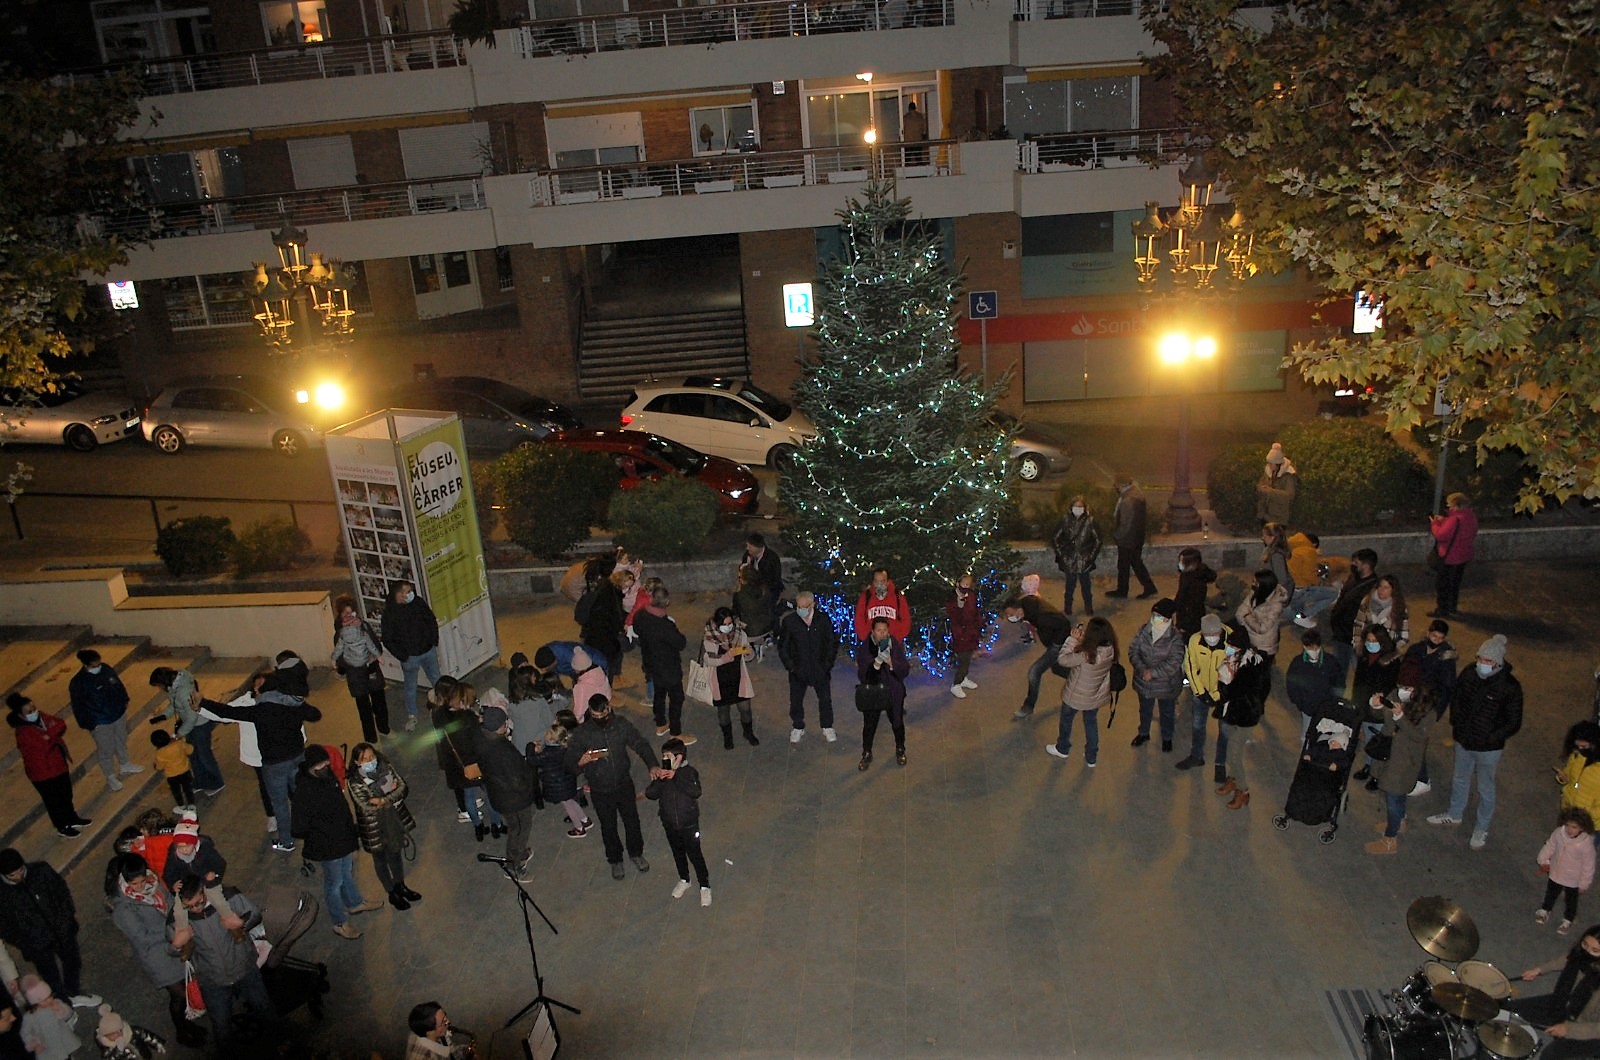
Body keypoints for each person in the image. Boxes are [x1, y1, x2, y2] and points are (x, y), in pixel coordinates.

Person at [203, 670, 320, 853]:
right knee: (302, 795)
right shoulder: (292, 703)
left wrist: (202, 702)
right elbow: (315, 715)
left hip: (274, 764)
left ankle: (286, 841)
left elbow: (227, 712)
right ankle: (313, 830)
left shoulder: (260, 710)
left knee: (280, 804)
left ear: (262, 692)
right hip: (297, 757)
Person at [1427, 633, 1524, 850]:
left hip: (1488, 749)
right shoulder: (1470, 673)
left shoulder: (1509, 687)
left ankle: (1482, 827)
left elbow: (1513, 722)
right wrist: (1458, 725)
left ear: (1498, 662)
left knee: (1485, 787)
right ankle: (1454, 813)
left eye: (1487, 661)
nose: (1482, 664)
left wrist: (1491, 737)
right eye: (1480, 659)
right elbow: (1458, 700)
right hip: (1464, 740)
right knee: (1460, 778)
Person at [104, 854, 205, 1048]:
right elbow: (141, 937)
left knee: (186, 987)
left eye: (143, 881)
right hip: (157, 955)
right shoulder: (123, 909)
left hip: (175, 944)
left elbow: (167, 900)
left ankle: (187, 1024)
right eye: (135, 884)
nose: (141, 887)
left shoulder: (153, 882)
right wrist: (172, 930)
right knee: (178, 995)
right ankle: (182, 1031)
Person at [166, 874, 272, 1046]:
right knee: (221, 1025)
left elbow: (255, 914)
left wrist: (239, 924)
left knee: (264, 1008)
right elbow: (172, 951)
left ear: (205, 892)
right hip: (213, 981)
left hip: (244, 968)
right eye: (189, 906)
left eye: (199, 902)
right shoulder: (176, 919)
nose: (196, 909)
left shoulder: (228, 897)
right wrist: (177, 945)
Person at [564, 695, 662, 880]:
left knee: (632, 821)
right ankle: (615, 859)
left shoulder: (621, 725)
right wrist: (580, 762)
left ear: (608, 709)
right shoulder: (582, 733)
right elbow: (569, 764)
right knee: (608, 826)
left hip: (623, 784)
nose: (599, 718)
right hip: (600, 789)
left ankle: (636, 853)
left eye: (601, 713)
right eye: (594, 714)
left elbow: (640, 743)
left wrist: (652, 765)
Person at [291, 744, 382, 939]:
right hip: (327, 845)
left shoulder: (327, 776)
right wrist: (321, 832)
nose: (325, 766)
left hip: (343, 838)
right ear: (310, 766)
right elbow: (298, 827)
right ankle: (339, 922)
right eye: (320, 764)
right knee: (334, 883)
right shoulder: (304, 791)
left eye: (326, 762)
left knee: (346, 874)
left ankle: (354, 903)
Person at [1362, 661, 1436, 854]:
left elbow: (1419, 736)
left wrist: (1400, 718)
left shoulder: (1427, 709)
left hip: (1404, 761)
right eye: (1401, 686)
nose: (1402, 691)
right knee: (1395, 795)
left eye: (1408, 688)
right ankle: (1399, 821)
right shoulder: (1395, 694)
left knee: (1394, 796)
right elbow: (1382, 716)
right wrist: (1376, 706)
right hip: (1389, 753)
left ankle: (1390, 839)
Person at [346, 742, 421, 911]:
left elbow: (402, 788)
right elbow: (366, 806)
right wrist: (389, 793)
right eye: (365, 759)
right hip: (374, 828)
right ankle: (391, 892)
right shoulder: (355, 782)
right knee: (380, 859)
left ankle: (400, 885)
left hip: (392, 821)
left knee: (395, 854)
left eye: (372, 756)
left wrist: (382, 799)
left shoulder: (385, 767)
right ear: (357, 762)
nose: (370, 760)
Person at [5, 694, 88, 839]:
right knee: (54, 801)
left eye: (34, 708)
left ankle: (72, 818)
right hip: (42, 773)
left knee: (66, 794)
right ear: (21, 715)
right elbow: (41, 746)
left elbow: (60, 724)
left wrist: (48, 736)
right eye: (29, 711)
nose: (34, 712)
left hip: (58, 765)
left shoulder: (42, 717)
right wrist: (51, 735)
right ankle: (62, 826)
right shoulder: (23, 733)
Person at [1508, 926, 1600, 1056]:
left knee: (1548, 1055)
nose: (1587, 952)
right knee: (1510, 1010)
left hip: (1587, 1026)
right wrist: (1540, 970)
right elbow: (1568, 958)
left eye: (1595, 951)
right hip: (1564, 1002)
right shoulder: (1580, 955)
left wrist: (1569, 1029)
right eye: (1585, 944)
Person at [0, 851, 79, 1002]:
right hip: (36, 944)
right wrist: (24, 942)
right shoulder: (3, 894)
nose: (18, 876)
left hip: (61, 930)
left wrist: (65, 921)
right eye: (12, 875)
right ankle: (63, 1001)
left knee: (72, 961)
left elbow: (62, 894)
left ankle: (73, 992)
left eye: (20, 871)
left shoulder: (41, 871)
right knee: (50, 975)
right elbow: (4, 927)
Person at [477, 706, 540, 881]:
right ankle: (514, 864)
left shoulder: (482, 740)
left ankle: (519, 853)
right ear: (499, 726)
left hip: (498, 794)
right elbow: (516, 780)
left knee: (515, 826)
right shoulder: (501, 750)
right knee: (519, 828)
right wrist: (528, 786)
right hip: (513, 799)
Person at [1044, 616, 1117, 767]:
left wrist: (1072, 640)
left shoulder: (1086, 655)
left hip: (1076, 695)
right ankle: (1091, 756)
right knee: (1091, 723)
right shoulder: (1110, 649)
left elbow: (1063, 660)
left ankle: (1062, 748)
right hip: (1094, 695)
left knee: (1066, 720)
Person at [647, 737, 711, 906]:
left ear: (679, 757)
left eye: (667, 756)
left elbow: (696, 791)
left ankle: (704, 885)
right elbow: (650, 794)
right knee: (678, 853)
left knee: (695, 854)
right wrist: (660, 779)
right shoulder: (663, 775)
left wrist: (675, 777)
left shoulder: (689, 773)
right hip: (670, 824)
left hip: (689, 824)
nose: (664, 760)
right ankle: (684, 879)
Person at [435, 682, 503, 842]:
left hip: (458, 767)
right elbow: (479, 742)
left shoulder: (440, 716)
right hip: (476, 763)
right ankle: (496, 824)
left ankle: (478, 827)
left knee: (469, 797)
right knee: (490, 795)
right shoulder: (468, 719)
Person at [67, 649, 140, 791]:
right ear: (86, 665)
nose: (98, 667)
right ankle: (110, 776)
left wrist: (124, 700)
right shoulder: (78, 683)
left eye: (99, 663)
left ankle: (125, 764)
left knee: (121, 740)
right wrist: (89, 724)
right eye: (94, 665)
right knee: (106, 749)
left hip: (117, 714)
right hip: (100, 721)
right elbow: (78, 706)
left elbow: (118, 685)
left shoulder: (106, 669)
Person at [1213, 627, 1270, 809]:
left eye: (1231, 646)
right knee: (1231, 749)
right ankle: (1233, 780)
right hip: (1231, 713)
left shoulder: (1251, 667)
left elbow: (1232, 691)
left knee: (1234, 754)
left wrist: (1224, 680)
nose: (1228, 648)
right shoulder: (1235, 660)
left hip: (1244, 715)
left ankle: (1243, 791)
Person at [147, 666, 223, 796]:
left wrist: (178, 734)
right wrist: (163, 716)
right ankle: (200, 781)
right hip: (191, 725)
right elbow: (175, 705)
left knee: (204, 755)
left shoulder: (184, 691)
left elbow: (192, 716)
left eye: (159, 685)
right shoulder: (174, 686)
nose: (159, 689)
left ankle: (216, 783)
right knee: (193, 754)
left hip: (200, 724)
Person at [777, 591, 839, 744]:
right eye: (799, 606)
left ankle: (827, 726)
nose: (801, 610)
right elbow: (783, 646)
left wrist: (827, 665)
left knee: (825, 699)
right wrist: (791, 667)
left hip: (820, 669)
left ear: (813, 605)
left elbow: (831, 643)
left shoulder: (823, 620)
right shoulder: (790, 622)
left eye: (805, 607)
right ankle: (798, 726)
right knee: (796, 700)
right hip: (798, 670)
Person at [380, 579, 440, 733]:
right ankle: (412, 715)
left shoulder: (417, 603)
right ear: (399, 594)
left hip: (428, 650)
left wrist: (433, 640)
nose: (410, 594)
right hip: (410, 657)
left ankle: (444, 707)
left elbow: (430, 620)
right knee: (410, 687)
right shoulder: (390, 613)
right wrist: (402, 655)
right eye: (407, 591)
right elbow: (387, 638)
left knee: (437, 680)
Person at [1005, 590, 1073, 721]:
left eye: (1010, 614)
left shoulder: (1041, 616)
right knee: (1057, 668)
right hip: (1055, 643)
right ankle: (1080, 681)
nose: (1009, 617)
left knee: (1034, 672)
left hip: (1057, 644)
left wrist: (1056, 645)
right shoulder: (1029, 607)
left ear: (1018, 609)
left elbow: (1063, 624)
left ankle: (1028, 707)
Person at [1175, 614, 1231, 772]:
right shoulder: (1194, 641)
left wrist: (1222, 694)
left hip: (1224, 694)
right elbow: (1190, 666)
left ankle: (1220, 763)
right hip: (1202, 691)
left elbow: (1234, 669)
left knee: (1225, 730)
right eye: (1208, 635)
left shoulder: (1231, 642)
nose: (1212, 638)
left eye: (1215, 635)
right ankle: (1196, 756)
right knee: (1198, 725)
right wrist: (1200, 692)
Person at [635, 587, 691, 743]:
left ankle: (660, 723)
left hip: (651, 663)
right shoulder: (665, 625)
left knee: (659, 694)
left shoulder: (641, 615)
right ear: (666, 602)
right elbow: (680, 643)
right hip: (668, 667)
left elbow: (638, 631)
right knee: (676, 698)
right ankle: (675, 732)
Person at [331, 594, 389, 743]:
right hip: (355, 675)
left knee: (379, 701)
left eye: (351, 613)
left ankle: (383, 727)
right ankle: (371, 737)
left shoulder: (363, 626)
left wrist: (373, 656)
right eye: (346, 614)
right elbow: (340, 659)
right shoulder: (340, 634)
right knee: (364, 708)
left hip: (371, 670)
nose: (350, 617)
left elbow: (376, 645)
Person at [1127, 598, 1184, 751]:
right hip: (1144, 682)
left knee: (1166, 712)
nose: (1154, 618)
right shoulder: (1144, 630)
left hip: (1166, 685)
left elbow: (1174, 662)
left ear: (1167, 618)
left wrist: (1153, 673)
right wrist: (1142, 670)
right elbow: (1133, 651)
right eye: (1153, 615)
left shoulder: (1175, 638)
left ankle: (1167, 737)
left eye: (1158, 615)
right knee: (1145, 710)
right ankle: (1144, 733)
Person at [856, 616, 910, 771]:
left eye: (885, 630)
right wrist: (877, 664)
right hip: (873, 693)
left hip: (892, 692)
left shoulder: (895, 645)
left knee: (897, 722)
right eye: (879, 630)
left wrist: (892, 664)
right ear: (873, 631)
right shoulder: (866, 648)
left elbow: (904, 669)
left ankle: (900, 749)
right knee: (870, 725)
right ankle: (867, 752)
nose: (882, 634)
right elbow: (863, 675)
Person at [1537, 809, 1598, 935]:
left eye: (1574, 827)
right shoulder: (1559, 833)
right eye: (1568, 825)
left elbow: (1589, 865)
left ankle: (1568, 919)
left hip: (1573, 879)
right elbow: (1550, 845)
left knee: (1571, 900)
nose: (1570, 830)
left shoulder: (1585, 844)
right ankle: (1545, 910)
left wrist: (1584, 883)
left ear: (1582, 827)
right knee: (1551, 893)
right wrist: (1543, 859)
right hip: (1556, 872)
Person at [704, 607, 756, 750]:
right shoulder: (710, 637)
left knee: (745, 708)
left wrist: (749, 653)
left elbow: (749, 655)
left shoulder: (739, 634)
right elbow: (709, 660)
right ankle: (728, 737)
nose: (728, 627)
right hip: (720, 679)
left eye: (730, 624)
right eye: (725, 625)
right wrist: (726, 657)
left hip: (738, 677)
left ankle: (748, 732)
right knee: (723, 710)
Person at [532, 711, 590, 839]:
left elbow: (534, 760)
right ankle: (585, 819)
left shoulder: (549, 752)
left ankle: (579, 828)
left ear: (552, 739)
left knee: (568, 806)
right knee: (571, 801)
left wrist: (530, 748)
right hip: (568, 781)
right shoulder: (563, 748)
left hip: (560, 785)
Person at [1327, 548, 1380, 679]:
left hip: (1353, 636)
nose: (1353, 564)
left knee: (1360, 671)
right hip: (1341, 634)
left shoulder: (1372, 588)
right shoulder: (1354, 578)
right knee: (1339, 671)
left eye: (1356, 562)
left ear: (1366, 565)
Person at [1105, 475, 1157, 599]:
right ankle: (1148, 587)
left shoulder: (1127, 501)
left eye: (1116, 485)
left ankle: (1123, 591)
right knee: (1135, 563)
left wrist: (1117, 535)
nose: (1115, 487)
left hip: (1127, 540)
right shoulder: (1136, 495)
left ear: (1121, 485)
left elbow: (1125, 524)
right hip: (1136, 537)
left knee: (1124, 565)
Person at [1286, 630, 1344, 739]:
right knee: (1307, 733)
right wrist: (1300, 702)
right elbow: (1292, 685)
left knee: (1323, 733)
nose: (1313, 651)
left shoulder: (1330, 662)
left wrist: (1334, 701)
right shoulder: (1298, 663)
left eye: (1315, 648)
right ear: (1304, 646)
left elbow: (1339, 683)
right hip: (1307, 707)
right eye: (1309, 648)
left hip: (1326, 706)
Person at [1429, 491, 1479, 617]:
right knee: (1455, 584)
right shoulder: (1470, 516)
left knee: (1443, 585)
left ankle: (1442, 609)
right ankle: (1452, 607)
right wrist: (1445, 520)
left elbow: (1441, 535)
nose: (1448, 508)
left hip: (1450, 557)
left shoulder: (1454, 519)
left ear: (1457, 505)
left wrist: (1434, 524)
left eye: (1450, 505)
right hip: (1463, 556)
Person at [1051, 495, 1102, 617]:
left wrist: (1090, 557)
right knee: (1069, 586)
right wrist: (1062, 555)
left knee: (1086, 586)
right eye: (1076, 506)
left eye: (1080, 506)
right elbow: (1055, 538)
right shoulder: (1065, 520)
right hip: (1069, 559)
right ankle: (1067, 608)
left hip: (1084, 560)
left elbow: (1098, 540)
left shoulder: (1090, 521)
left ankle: (1088, 607)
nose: (1078, 509)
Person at [581, 568, 633, 683]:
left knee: (616, 654)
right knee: (609, 659)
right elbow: (614, 614)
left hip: (601, 630)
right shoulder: (611, 594)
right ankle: (608, 686)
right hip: (602, 632)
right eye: (626, 586)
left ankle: (616, 677)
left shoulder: (610, 589)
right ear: (621, 581)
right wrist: (622, 626)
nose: (627, 589)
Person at [1234, 568, 1290, 672]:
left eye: (1256, 582)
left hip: (1264, 645)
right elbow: (1240, 610)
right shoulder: (1256, 592)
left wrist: (1247, 616)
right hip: (1250, 638)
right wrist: (1245, 619)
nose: (1252, 583)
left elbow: (1262, 628)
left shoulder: (1275, 606)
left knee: (1261, 670)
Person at [1404, 620, 1459, 718]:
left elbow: (1447, 688)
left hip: (1427, 702)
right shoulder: (1415, 649)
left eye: (1440, 638)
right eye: (1434, 636)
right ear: (1428, 633)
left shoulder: (1446, 659)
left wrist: (1437, 712)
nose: (1436, 640)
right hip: (1408, 696)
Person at [1286, 531, 1341, 628]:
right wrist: (1320, 581)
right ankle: (1303, 616)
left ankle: (1297, 615)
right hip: (1300, 589)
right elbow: (1309, 575)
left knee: (1297, 606)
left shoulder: (1292, 546)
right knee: (1332, 594)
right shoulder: (1308, 551)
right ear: (1314, 544)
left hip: (1289, 587)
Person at [505, 663, 563, 755]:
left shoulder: (513, 701)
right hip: (537, 745)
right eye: (533, 676)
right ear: (527, 680)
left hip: (519, 744)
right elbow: (549, 722)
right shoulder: (538, 700)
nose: (535, 678)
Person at [945, 574, 983, 699]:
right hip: (961, 635)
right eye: (964, 583)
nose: (966, 586)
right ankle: (956, 684)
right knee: (963, 660)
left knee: (968, 658)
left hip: (971, 633)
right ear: (958, 583)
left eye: (968, 584)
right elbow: (954, 616)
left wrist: (977, 626)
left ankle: (963, 678)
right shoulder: (953, 599)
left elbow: (975, 612)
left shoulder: (971, 595)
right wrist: (960, 605)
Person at [1354, 573, 1410, 654]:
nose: (1381, 590)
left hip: (1387, 650)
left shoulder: (1399, 608)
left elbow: (1404, 636)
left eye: (1386, 588)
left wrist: (1392, 650)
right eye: (1380, 586)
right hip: (1367, 647)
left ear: (1393, 590)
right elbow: (1358, 624)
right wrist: (1358, 645)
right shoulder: (1367, 602)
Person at [853, 568, 911, 642]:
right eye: (876, 581)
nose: (880, 584)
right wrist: (867, 638)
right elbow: (859, 620)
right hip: (871, 644)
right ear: (873, 582)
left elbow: (906, 620)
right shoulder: (865, 597)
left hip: (893, 644)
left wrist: (896, 638)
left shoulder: (898, 597)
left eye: (882, 581)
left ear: (887, 582)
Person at [1560, 723, 1600, 829]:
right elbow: (1568, 773)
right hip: (1570, 816)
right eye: (1578, 746)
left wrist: (1589, 816)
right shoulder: (1576, 755)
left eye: (1584, 746)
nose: (1580, 749)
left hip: (1591, 824)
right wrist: (1562, 778)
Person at [405, 1001, 476, 1060]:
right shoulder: (427, 1057)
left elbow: (449, 1051)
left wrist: (467, 1051)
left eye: (445, 1015)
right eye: (443, 1022)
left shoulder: (421, 1031)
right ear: (429, 1032)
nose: (448, 1022)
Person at [1173, 547, 1216, 638]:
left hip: (1190, 616)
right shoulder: (1197, 573)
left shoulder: (1191, 581)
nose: (1179, 564)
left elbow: (1183, 599)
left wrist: (1181, 623)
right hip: (1196, 612)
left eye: (1182, 561)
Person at [149, 730, 194, 814]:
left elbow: (159, 767)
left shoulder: (159, 753)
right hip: (185, 771)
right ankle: (191, 805)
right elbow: (190, 750)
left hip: (172, 776)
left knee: (176, 791)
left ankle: (182, 807)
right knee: (188, 788)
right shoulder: (179, 744)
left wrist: (155, 765)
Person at [1255, 441, 1298, 526]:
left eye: (1271, 464)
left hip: (1279, 517)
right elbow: (1260, 484)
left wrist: (1270, 491)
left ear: (1278, 464)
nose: (1269, 466)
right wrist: (1260, 488)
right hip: (1265, 515)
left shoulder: (1288, 476)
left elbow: (1290, 495)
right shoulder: (1268, 472)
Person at [740, 532, 784, 613]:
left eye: (749, 546)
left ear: (757, 547)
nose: (747, 548)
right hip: (753, 585)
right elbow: (743, 572)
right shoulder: (748, 555)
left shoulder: (772, 559)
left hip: (769, 588)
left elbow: (773, 580)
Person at [567, 647, 611, 723]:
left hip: (590, 716)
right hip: (603, 707)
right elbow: (609, 693)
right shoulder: (601, 671)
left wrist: (575, 722)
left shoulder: (580, 687)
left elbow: (579, 711)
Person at [1258, 522, 1295, 598]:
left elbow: (1282, 580)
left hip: (1276, 596)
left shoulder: (1276, 556)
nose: (1262, 538)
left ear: (1272, 537)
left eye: (1264, 536)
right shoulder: (1269, 551)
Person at [901, 99, 928, 163]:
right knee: (918, 158)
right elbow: (924, 128)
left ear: (909, 108)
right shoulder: (920, 117)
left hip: (908, 141)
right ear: (915, 108)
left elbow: (902, 129)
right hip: (918, 140)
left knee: (907, 159)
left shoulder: (905, 118)